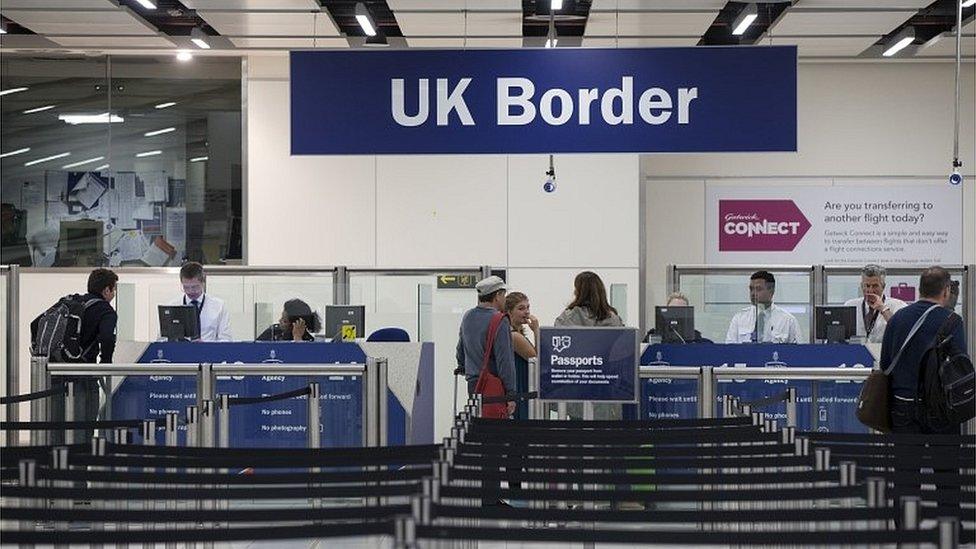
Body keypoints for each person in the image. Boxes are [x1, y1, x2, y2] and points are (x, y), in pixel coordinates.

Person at [30, 268, 118, 444]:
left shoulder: (69, 302)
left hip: (56, 376)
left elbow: (35, 323)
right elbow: (107, 337)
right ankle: (77, 469)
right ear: (106, 290)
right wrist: (105, 363)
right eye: (113, 289)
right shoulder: (105, 311)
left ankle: (56, 467)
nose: (114, 293)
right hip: (83, 377)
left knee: (56, 428)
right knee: (81, 432)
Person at [881, 266, 968, 434]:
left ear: (920, 289)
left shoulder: (897, 318)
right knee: (943, 459)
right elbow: (960, 366)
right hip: (940, 408)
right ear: (946, 291)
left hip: (902, 406)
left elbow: (885, 364)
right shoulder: (952, 321)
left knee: (906, 460)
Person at [455, 275, 517, 417]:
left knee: (477, 425)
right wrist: (511, 394)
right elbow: (505, 360)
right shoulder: (499, 320)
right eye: (504, 295)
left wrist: (465, 368)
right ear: (497, 295)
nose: (505, 299)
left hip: (473, 384)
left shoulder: (468, 316)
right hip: (494, 386)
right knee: (494, 431)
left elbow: (460, 350)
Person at [725, 270, 800, 344]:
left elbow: (797, 352)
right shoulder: (739, 318)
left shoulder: (787, 320)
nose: (753, 293)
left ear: (771, 291)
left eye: (758, 289)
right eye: (751, 289)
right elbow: (729, 350)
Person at [168, 261, 232, 341]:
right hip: (180, 352)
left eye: (195, 287)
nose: (190, 291)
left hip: (209, 352)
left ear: (203, 283)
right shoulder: (173, 306)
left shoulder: (219, 306)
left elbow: (226, 340)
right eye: (186, 287)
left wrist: (205, 346)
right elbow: (162, 339)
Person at [843, 264, 907, 343]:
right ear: (861, 286)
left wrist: (883, 309)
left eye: (875, 286)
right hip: (856, 352)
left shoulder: (898, 305)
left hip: (884, 353)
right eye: (867, 285)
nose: (870, 290)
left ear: (883, 286)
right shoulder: (850, 305)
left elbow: (902, 331)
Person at [504, 291, 539, 420]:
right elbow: (536, 358)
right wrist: (536, 330)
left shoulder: (516, 333)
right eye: (521, 308)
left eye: (528, 307)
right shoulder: (514, 335)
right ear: (509, 312)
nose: (527, 312)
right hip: (521, 386)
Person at [554, 271, 624, 327]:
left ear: (578, 292)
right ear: (601, 292)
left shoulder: (567, 317)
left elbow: (557, 338)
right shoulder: (614, 320)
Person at [643, 292, 712, 343]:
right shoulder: (654, 335)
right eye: (673, 309)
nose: (676, 314)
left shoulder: (695, 337)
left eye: (681, 310)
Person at [256, 299, 321, 341]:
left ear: (297, 324)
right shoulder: (273, 332)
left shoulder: (308, 340)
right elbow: (255, 348)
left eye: (284, 321)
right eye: (281, 317)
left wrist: (298, 339)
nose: (279, 321)